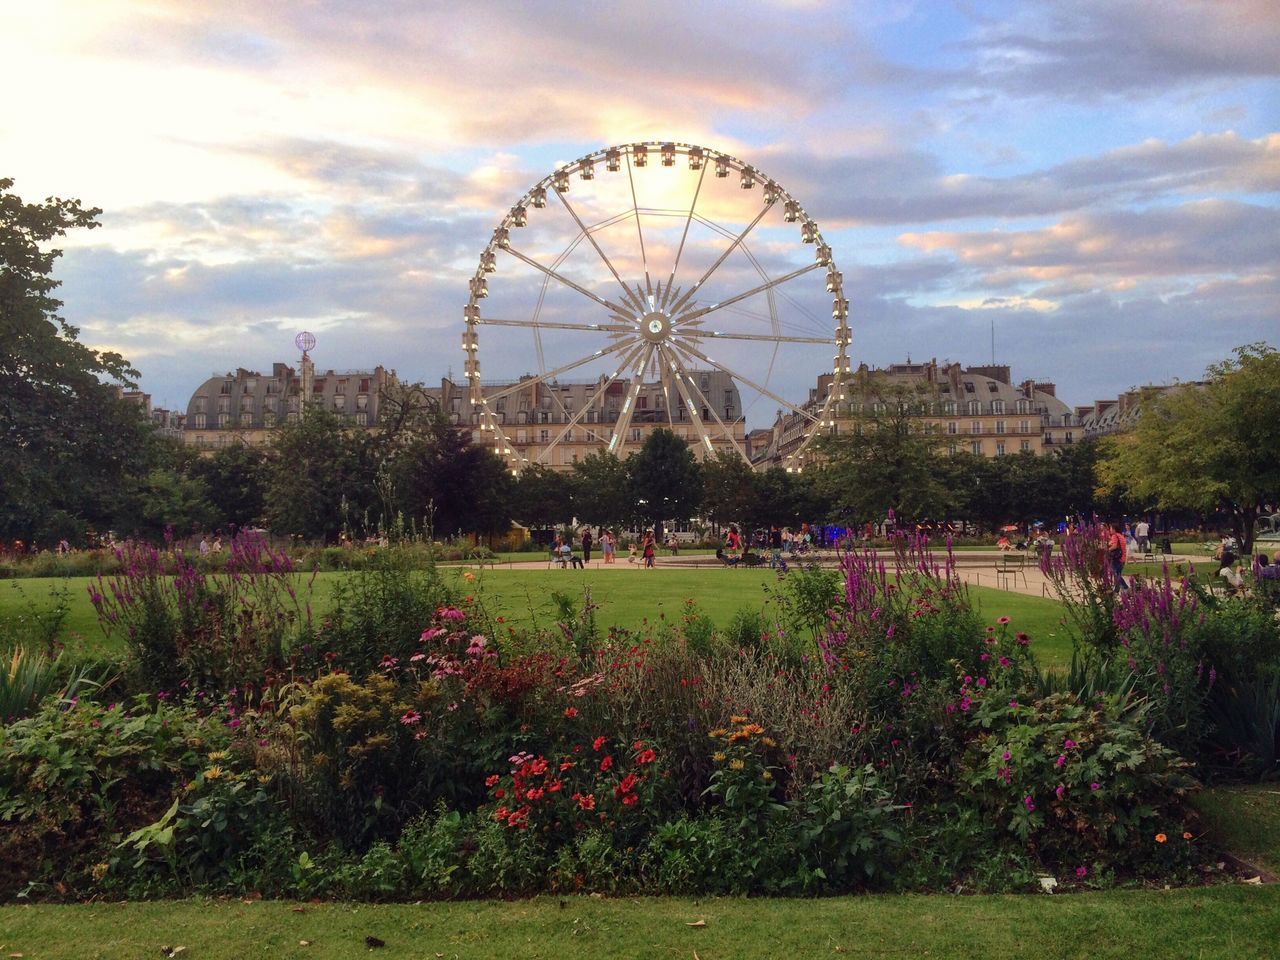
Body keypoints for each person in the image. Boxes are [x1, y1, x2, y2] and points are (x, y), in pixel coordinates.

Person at [1104, 521, 1128, 590]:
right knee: (1118, 574)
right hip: (1122, 558)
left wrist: (1108, 550)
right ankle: (1116, 590)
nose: (1110, 530)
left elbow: (1114, 546)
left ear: (1114, 529)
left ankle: (1126, 588)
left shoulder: (1115, 536)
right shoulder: (1121, 536)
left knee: (1115, 574)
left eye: (1111, 528)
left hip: (1117, 558)